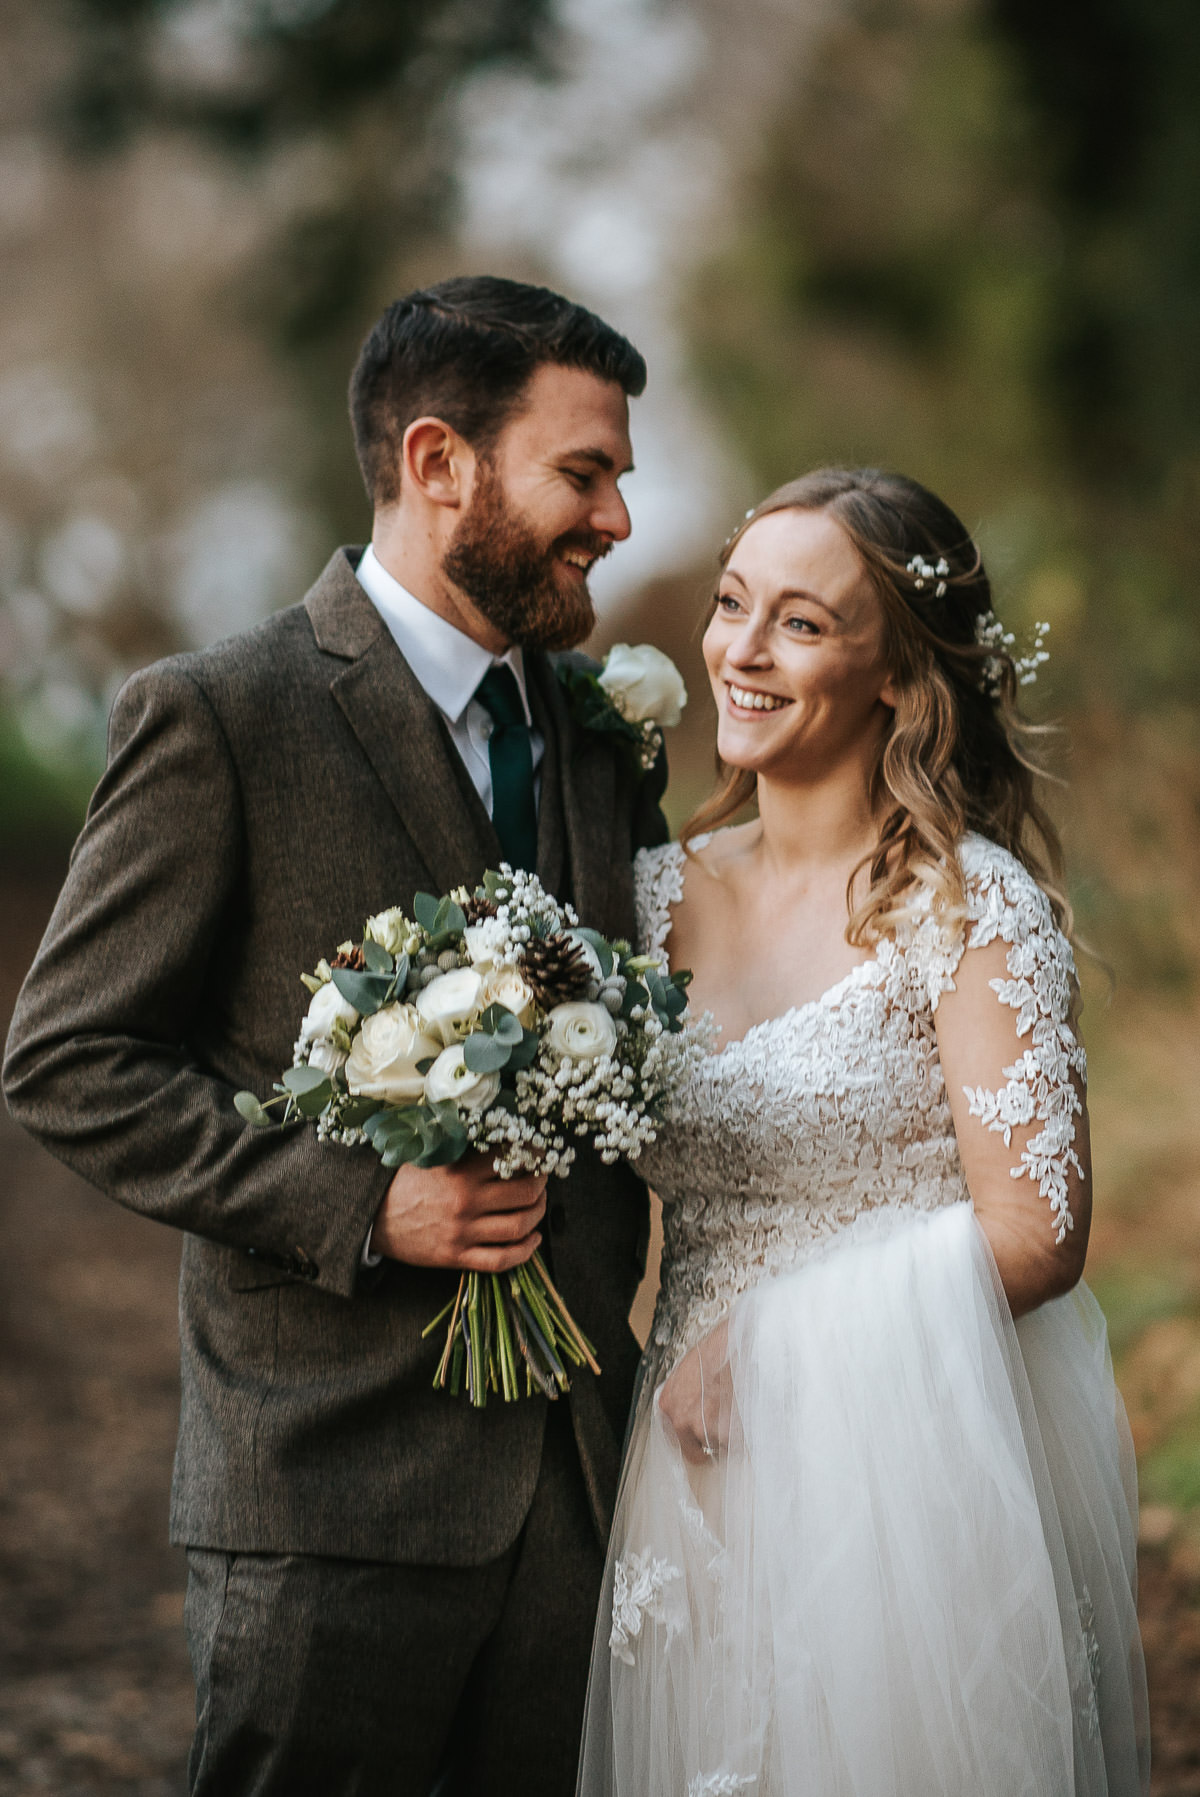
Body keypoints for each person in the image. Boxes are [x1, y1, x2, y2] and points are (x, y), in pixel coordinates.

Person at [3, 276, 669, 1796]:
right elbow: (68, 1060)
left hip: (577, 1490)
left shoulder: (598, 733)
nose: (620, 519)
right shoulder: (222, 713)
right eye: (588, 471)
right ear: (440, 462)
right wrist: (365, 1201)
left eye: (621, 474)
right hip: (326, 1492)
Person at [577, 468, 1150, 1795]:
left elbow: (1038, 1233)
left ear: (895, 671)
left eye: (801, 622)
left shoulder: (968, 905)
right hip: (681, 1484)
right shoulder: (643, 899)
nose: (742, 652)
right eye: (731, 607)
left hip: (899, 1486)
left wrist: (772, 1350)